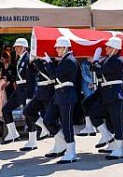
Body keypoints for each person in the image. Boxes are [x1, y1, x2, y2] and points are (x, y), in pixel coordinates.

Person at [90, 36, 123, 160]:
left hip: (115, 94)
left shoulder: (117, 60)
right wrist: (95, 62)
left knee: (117, 121)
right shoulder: (108, 59)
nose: (106, 48)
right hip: (106, 93)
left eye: (109, 47)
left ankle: (119, 149)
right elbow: (94, 68)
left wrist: (95, 61)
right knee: (94, 113)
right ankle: (108, 138)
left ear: (115, 49)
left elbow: (100, 70)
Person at [43, 36, 78, 164]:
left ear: (65, 47)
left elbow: (53, 74)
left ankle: (71, 152)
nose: (56, 49)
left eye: (58, 47)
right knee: (48, 119)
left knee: (67, 124)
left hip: (66, 95)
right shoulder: (64, 59)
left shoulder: (69, 60)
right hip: (59, 95)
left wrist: (49, 63)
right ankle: (62, 142)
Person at [1, 38, 35, 144]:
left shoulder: (28, 58)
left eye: (18, 46)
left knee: (28, 114)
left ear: (24, 47)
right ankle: (13, 133)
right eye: (15, 47)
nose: (15, 49)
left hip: (26, 89)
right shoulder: (20, 58)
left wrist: (30, 95)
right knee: (6, 109)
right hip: (20, 89)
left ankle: (32, 140)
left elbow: (31, 78)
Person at [19, 57, 54, 151]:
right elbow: (32, 72)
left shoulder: (50, 58)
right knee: (28, 111)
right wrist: (31, 63)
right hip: (40, 93)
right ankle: (44, 128)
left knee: (52, 120)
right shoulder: (37, 59)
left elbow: (49, 73)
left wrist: (37, 60)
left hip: (48, 91)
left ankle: (61, 144)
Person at [77, 58, 97, 136]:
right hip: (89, 85)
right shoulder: (87, 63)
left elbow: (84, 75)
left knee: (88, 105)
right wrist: (93, 82)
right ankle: (90, 126)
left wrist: (91, 82)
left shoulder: (84, 63)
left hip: (88, 84)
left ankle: (90, 126)